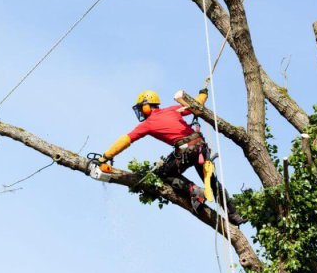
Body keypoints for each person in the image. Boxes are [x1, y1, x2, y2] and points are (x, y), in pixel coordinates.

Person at [99, 89, 245, 226]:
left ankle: (194, 190)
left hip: (186, 150)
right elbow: (196, 103)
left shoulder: (148, 124)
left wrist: (105, 156)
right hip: (200, 147)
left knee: (163, 174)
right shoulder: (172, 109)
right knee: (212, 183)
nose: (142, 114)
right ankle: (234, 214)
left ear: (146, 106)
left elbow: (126, 139)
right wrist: (203, 94)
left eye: (141, 108)